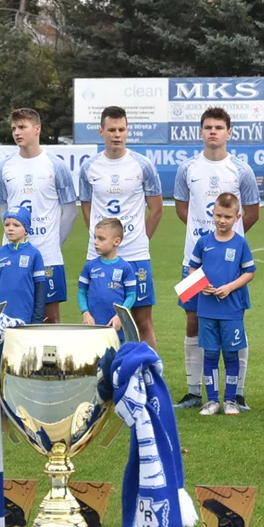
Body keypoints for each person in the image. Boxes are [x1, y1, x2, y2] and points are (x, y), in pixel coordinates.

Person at [173, 107, 259, 410]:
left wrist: (227, 246)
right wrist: (207, 242)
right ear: (201, 131)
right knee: (193, 319)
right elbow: (181, 208)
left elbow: (252, 212)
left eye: (219, 127)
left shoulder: (242, 170)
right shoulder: (187, 169)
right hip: (194, 259)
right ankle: (194, 391)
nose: (213, 132)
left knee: (235, 320)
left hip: (231, 263)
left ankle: (238, 393)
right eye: (208, 127)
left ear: (229, 132)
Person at [79, 106, 164, 348]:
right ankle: (102, 379)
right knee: (98, 321)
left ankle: (149, 378)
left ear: (128, 131)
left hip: (136, 256)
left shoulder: (143, 165)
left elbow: (157, 209)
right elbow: (87, 208)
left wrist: (140, 239)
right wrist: (103, 241)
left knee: (142, 320)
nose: (117, 134)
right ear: (101, 131)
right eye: (112, 130)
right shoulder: (89, 167)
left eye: (122, 129)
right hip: (99, 258)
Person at [0, 108, 78, 324]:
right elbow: (3, 210)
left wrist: (54, 244)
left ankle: (52, 360)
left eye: (22, 127)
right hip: (12, 257)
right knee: (11, 318)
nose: (17, 132)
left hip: (48, 256)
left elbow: (70, 212)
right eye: (14, 128)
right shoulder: (4, 168)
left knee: (50, 320)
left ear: (37, 129)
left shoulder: (56, 166)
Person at [188, 193, 256, 417]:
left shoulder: (241, 243)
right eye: (218, 215)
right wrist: (201, 284)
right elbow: (192, 270)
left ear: (237, 217)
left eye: (227, 216)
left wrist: (229, 287)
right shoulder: (203, 242)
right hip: (207, 309)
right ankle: (212, 401)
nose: (222, 220)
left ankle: (230, 401)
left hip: (232, 309)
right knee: (209, 354)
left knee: (230, 355)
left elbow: (249, 272)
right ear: (212, 214)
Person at [77, 218, 137, 340]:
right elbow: (81, 292)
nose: (95, 242)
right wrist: (85, 312)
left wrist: (120, 316)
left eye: (101, 238)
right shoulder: (90, 266)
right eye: (95, 237)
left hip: (115, 327)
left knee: (116, 357)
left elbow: (131, 295)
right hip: (93, 327)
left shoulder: (125, 267)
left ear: (116, 241)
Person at [0, 206, 45, 324]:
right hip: (0, 319)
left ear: (26, 229)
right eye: (7, 224)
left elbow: (40, 290)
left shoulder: (34, 254)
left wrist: (37, 319)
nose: (10, 229)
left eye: (16, 225)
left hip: (25, 317)